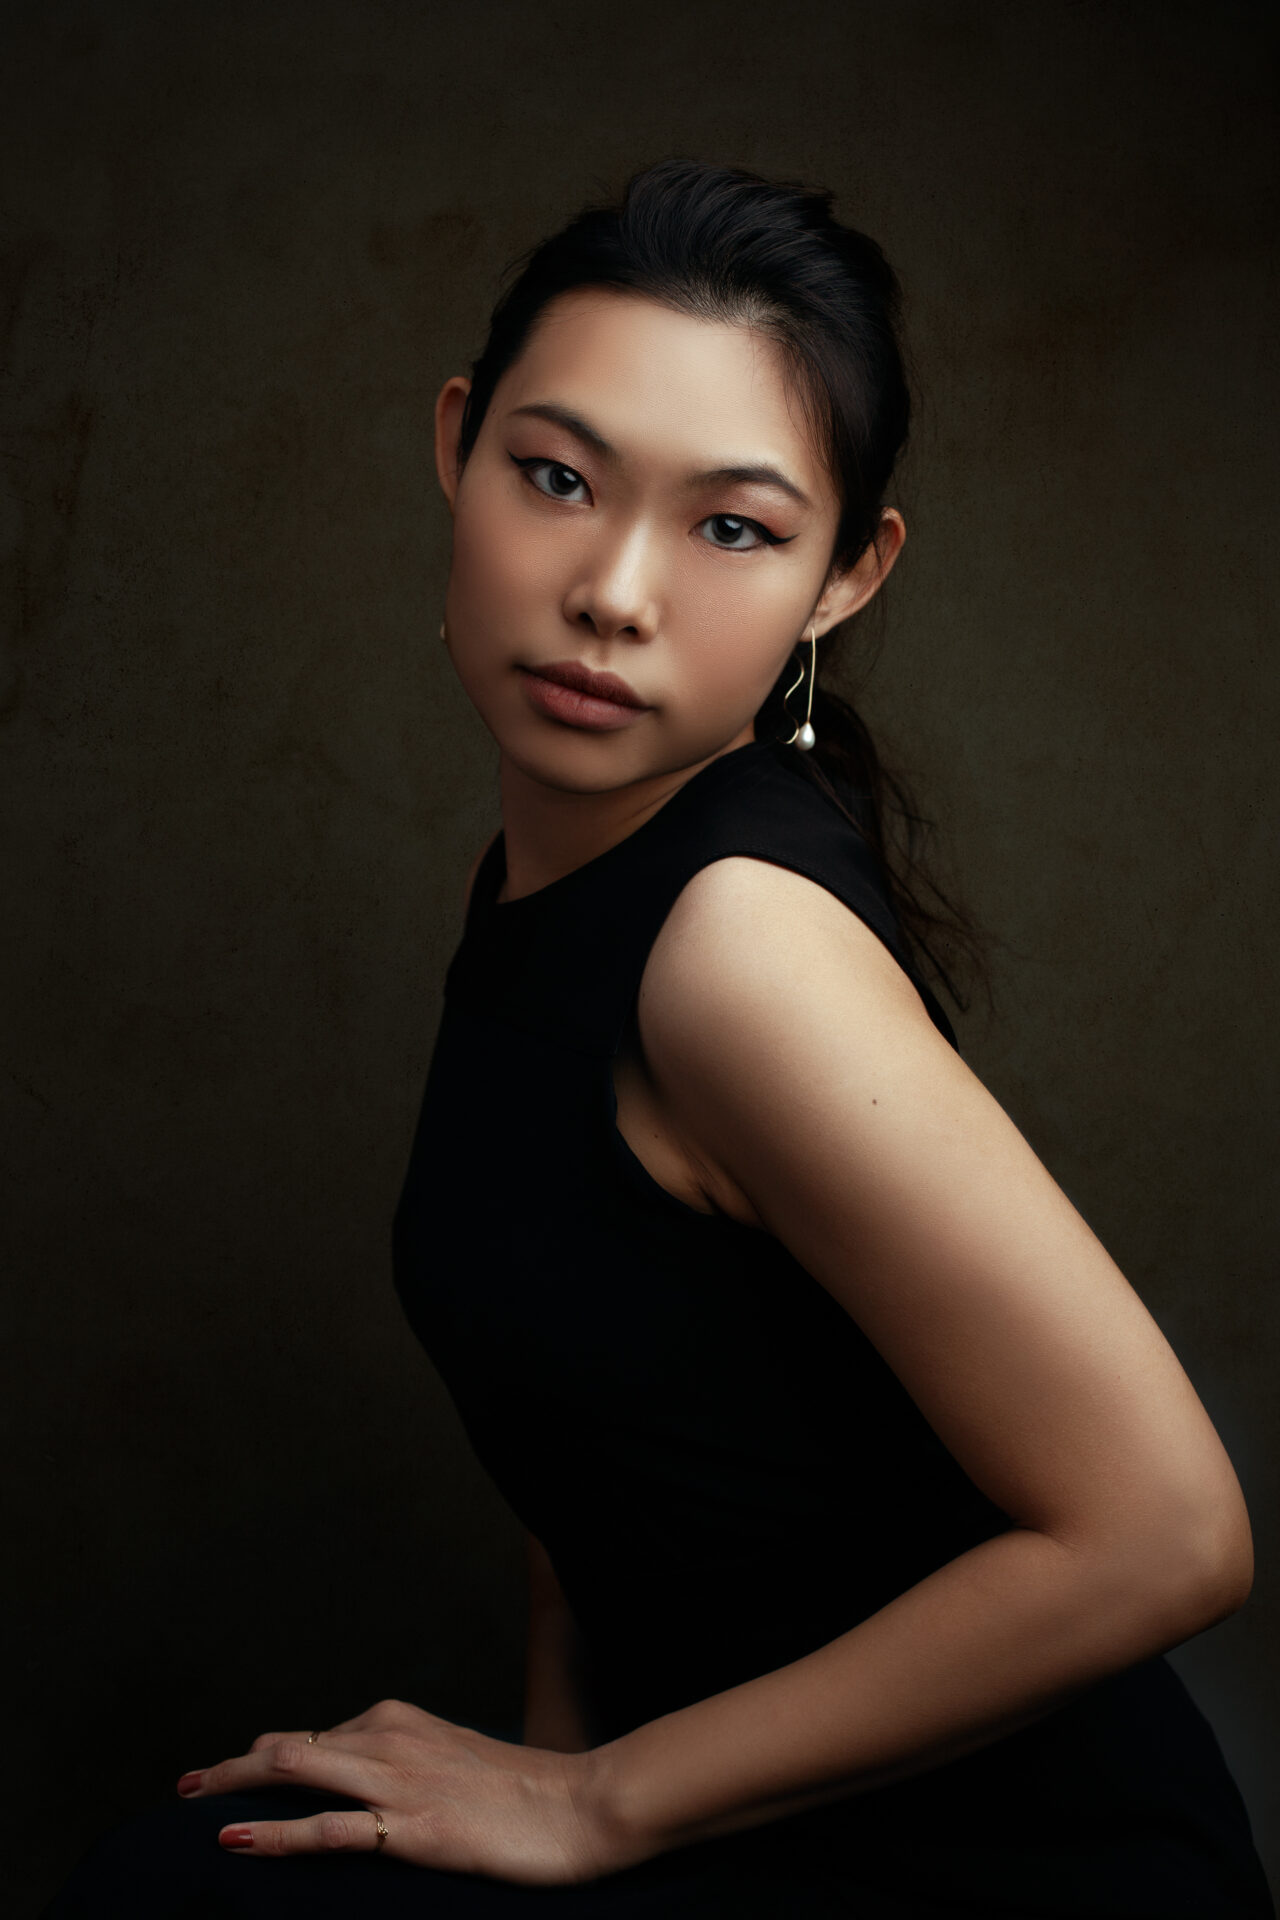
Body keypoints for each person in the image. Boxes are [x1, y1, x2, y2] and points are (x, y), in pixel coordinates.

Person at [45, 159, 1274, 1919]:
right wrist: (551, 1820)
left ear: (847, 575)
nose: (614, 592)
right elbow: (594, 1423)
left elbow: (1170, 1533)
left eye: (734, 528)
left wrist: (593, 1807)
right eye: (557, 477)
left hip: (998, 1869)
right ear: (457, 443)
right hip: (720, 1824)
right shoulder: (553, 873)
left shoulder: (736, 950)